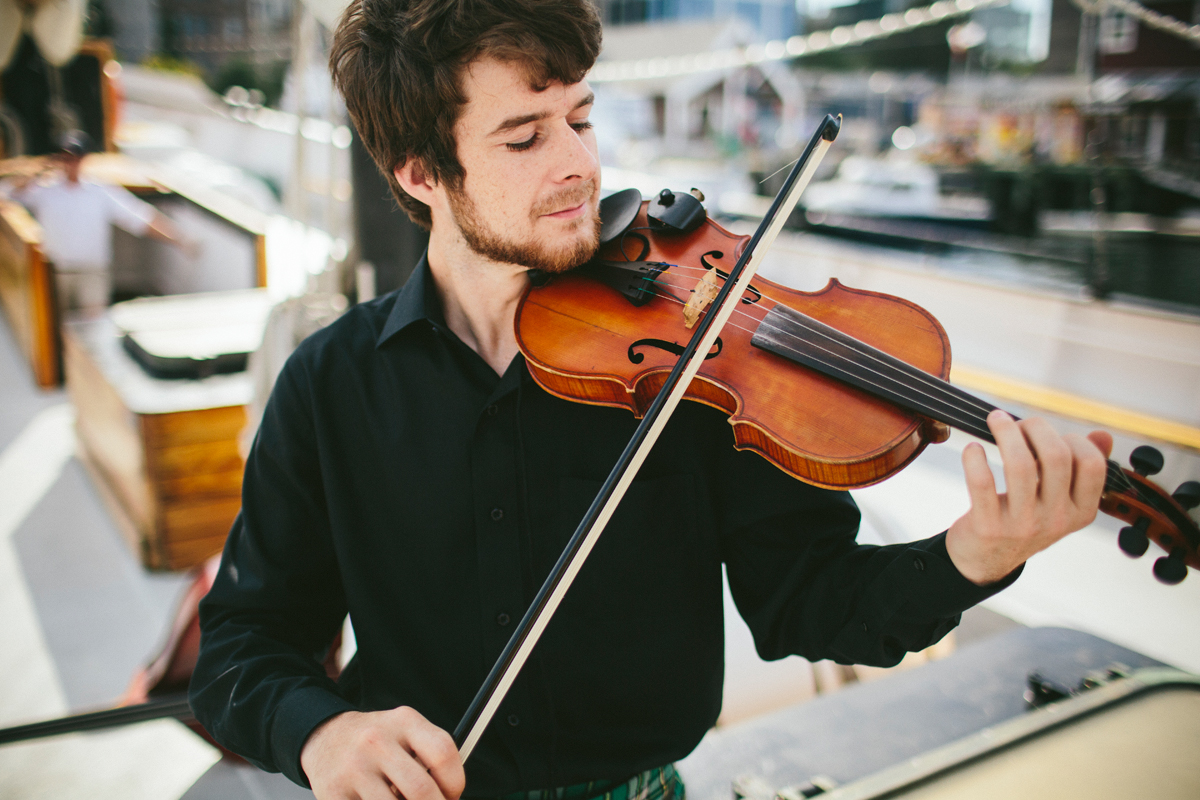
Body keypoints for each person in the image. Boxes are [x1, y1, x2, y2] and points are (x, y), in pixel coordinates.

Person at [189, 2, 1112, 799]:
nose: (578, 165)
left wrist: (977, 553)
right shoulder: (331, 385)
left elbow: (814, 604)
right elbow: (243, 642)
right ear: (421, 173)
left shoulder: (697, 362)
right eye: (525, 137)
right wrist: (322, 733)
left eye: (580, 120)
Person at [9, 132, 185, 317]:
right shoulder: (43, 189)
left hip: (91, 273)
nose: (72, 163)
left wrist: (178, 239)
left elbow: (137, 217)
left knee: (93, 324)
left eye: (76, 158)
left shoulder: (100, 191)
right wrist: (37, 170)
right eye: (67, 157)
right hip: (56, 272)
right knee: (55, 323)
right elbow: (8, 194)